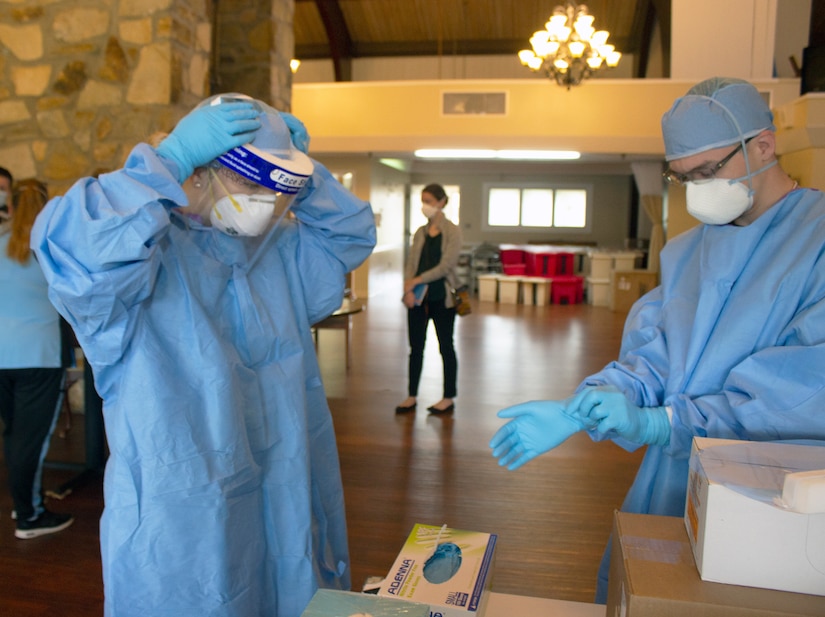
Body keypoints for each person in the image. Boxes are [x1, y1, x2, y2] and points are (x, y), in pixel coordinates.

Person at [31, 94, 376, 617]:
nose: (263, 198)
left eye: (274, 186)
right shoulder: (139, 257)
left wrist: (310, 181)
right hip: (181, 525)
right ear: (203, 170)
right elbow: (72, 246)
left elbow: (349, 235)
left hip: (282, 494)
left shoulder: (274, 251)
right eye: (250, 181)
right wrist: (167, 158)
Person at [488, 77, 825, 602]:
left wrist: (660, 422)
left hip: (768, 496)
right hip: (670, 479)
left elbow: (799, 395)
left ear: (764, 144)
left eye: (709, 171)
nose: (697, 189)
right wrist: (586, 407)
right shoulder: (690, 252)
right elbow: (654, 356)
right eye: (682, 176)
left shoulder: (817, 244)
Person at [0, 178, 75, 538]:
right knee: (30, 439)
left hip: (3, 355)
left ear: (10, 206)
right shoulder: (52, 247)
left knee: (14, 434)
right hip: (39, 357)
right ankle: (29, 516)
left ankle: (23, 507)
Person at [396, 183, 463, 415]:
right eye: (423, 200)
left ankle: (447, 397)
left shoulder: (452, 231)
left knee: (446, 347)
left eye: (430, 201)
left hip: (442, 298)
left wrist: (417, 279)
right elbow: (411, 263)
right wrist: (408, 288)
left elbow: (446, 266)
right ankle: (412, 395)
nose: (426, 205)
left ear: (442, 202)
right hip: (417, 299)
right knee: (416, 348)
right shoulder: (420, 232)